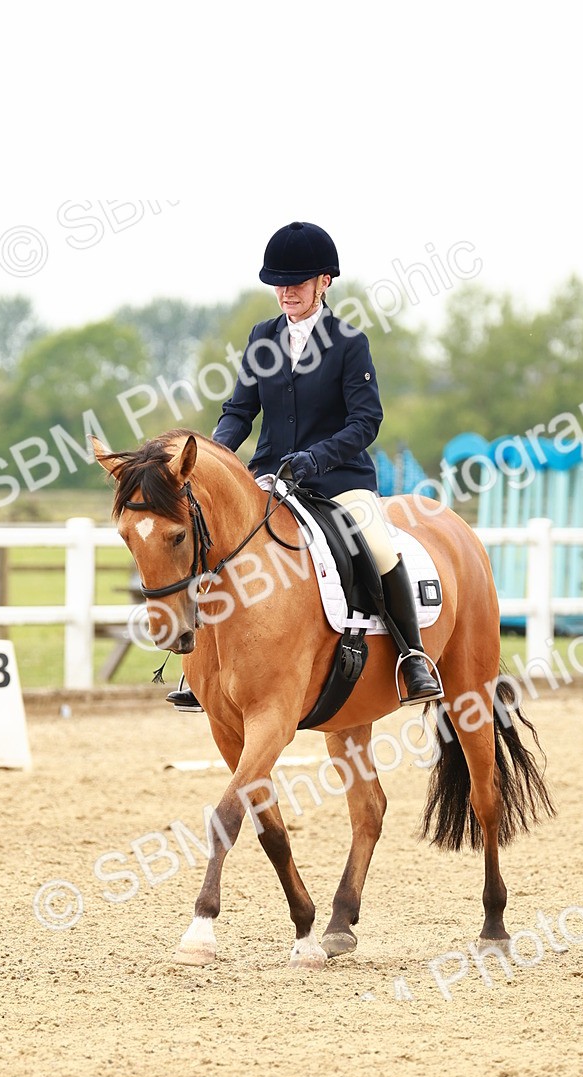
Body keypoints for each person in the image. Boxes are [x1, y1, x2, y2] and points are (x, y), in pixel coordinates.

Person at [167, 220, 442, 711]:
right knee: (214, 545)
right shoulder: (262, 338)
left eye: (297, 281)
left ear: (324, 282)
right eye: (279, 282)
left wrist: (317, 457)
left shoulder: (347, 342)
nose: (286, 291)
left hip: (338, 481)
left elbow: (366, 420)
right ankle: (204, 670)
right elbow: (238, 411)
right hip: (271, 478)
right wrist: (214, 456)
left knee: (377, 546)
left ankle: (411, 655)